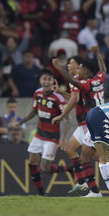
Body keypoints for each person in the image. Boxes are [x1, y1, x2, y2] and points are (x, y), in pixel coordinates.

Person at [52, 46, 105, 197]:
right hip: (87, 123)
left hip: (91, 124)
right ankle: (82, 183)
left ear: (85, 69)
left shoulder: (82, 82)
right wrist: (97, 53)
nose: (71, 66)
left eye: (74, 64)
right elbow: (103, 69)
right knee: (71, 149)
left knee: (92, 158)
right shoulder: (98, 79)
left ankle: (97, 190)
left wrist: (58, 67)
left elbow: (75, 98)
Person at [14, 68, 71, 196]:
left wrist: (63, 138)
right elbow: (34, 111)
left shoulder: (58, 98)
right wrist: (21, 121)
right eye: (44, 79)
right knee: (31, 163)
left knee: (45, 168)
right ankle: (41, 193)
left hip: (52, 138)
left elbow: (69, 119)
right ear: (40, 80)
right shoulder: (37, 93)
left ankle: (69, 169)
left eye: (49, 79)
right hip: (39, 135)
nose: (46, 81)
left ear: (53, 82)